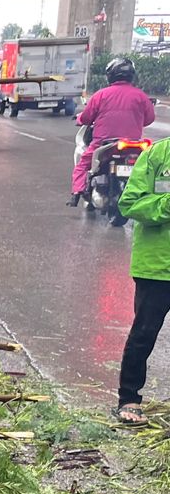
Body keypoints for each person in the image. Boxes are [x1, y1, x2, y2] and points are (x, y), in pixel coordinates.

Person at [114, 128, 170, 424]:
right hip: (156, 267)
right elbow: (129, 204)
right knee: (143, 335)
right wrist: (166, 204)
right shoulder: (157, 155)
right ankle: (129, 398)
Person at [72, 57, 156, 209]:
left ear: (110, 75)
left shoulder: (101, 95)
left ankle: (77, 193)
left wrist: (79, 119)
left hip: (103, 143)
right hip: (134, 144)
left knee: (82, 165)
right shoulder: (141, 96)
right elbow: (149, 118)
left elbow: (86, 117)